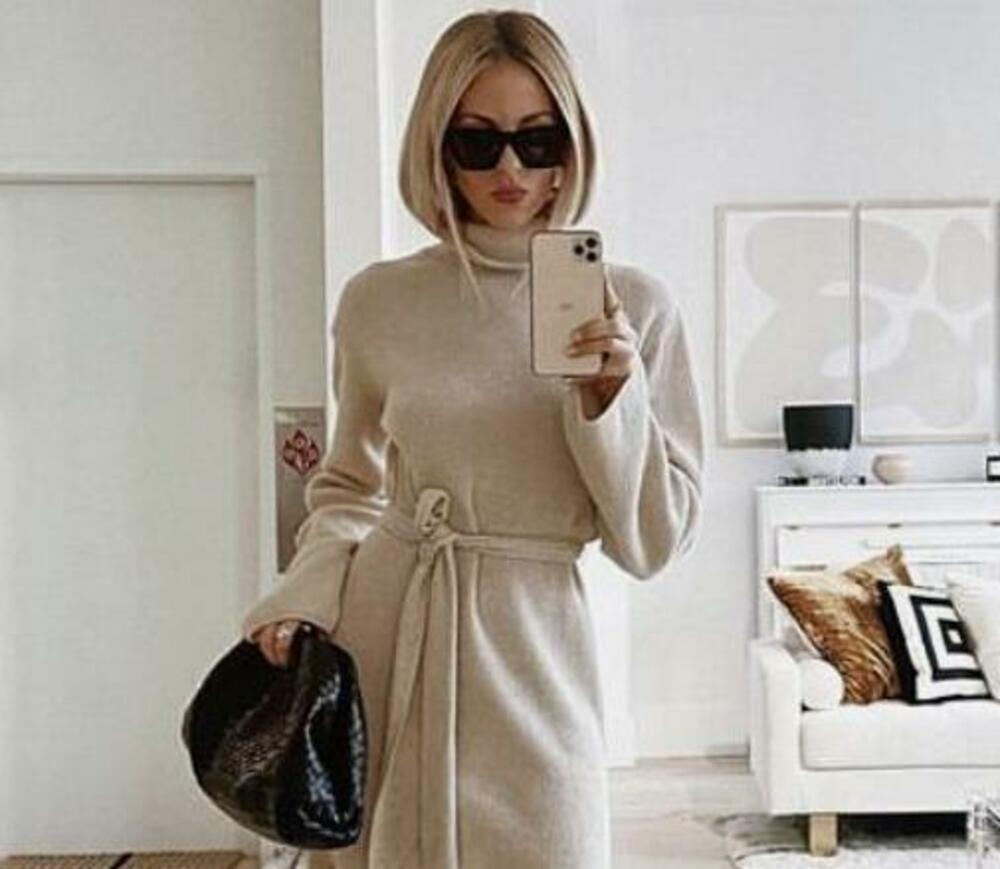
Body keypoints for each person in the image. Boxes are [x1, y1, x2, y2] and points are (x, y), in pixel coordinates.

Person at [242, 9, 705, 869]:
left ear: (573, 142)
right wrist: (304, 594)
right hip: (391, 631)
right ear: (436, 145)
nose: (510, 170)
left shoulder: (635, 307)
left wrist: (615, 399)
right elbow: (348, 486)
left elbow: (652, 542)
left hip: (537, 647)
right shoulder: (379, 301)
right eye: (477, 142)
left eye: (538, 140)